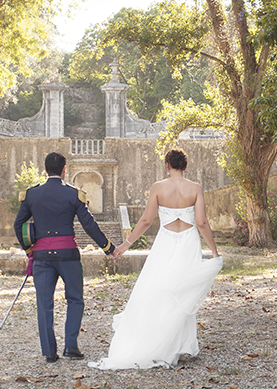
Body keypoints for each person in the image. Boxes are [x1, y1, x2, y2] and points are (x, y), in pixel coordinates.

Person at [90, 148, 224, 370]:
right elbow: (202, 223)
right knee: (182, 291)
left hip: (166, 242)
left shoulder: (158, 188)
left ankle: (162, 341)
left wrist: (125, 245)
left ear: (167, 165)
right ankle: (181, 346)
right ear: (185, 165)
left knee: (159, 287)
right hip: (188, 242)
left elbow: (145, 221)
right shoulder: (195, 188)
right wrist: (214, 252)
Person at [14, 152, 118, 363]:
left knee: (44, 303)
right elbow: (89, 224)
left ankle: (49, 353)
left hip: (42, 257)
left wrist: (29, 249)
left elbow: (19, 225)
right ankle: (71, 346)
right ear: (64, 170)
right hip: (68, 255)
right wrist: (108, 247)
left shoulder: (31, 195)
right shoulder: (74, 195)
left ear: (45, 170)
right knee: (75, 299)